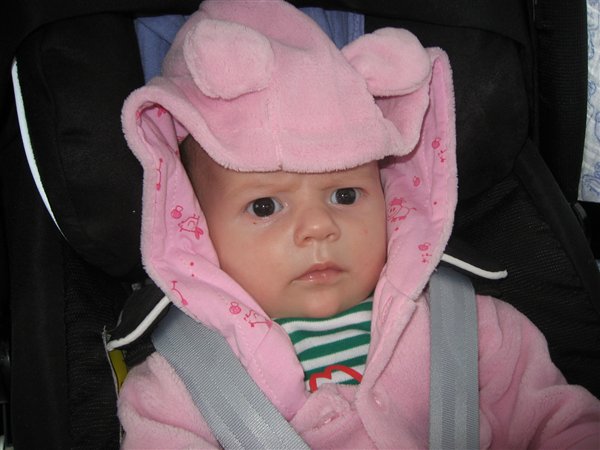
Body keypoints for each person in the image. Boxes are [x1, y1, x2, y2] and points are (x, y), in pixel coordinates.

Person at [118, 0, 600, 448]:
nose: (319, 228)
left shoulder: (471, 330)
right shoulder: (180, 385)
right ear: (195, 228)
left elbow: (563, 426)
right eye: (264, 206)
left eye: (345, 195)